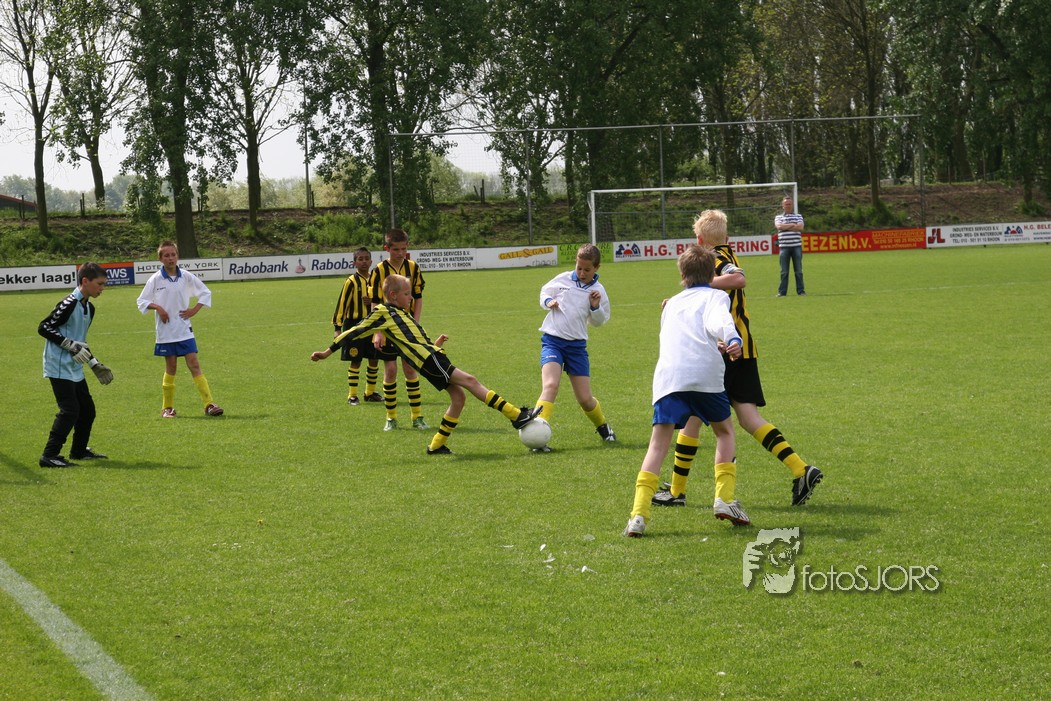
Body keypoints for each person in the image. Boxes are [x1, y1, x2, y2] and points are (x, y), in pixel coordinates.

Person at [651, 210, 822, 510]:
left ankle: (677, 491)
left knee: (692, 418)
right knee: (748, 417)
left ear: (700, 240)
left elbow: (739, 279)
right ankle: (800, 469)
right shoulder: (728, 253)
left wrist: (700, 287)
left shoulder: (715, 257)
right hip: (743, 348)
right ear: (726, 236)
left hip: (725, 350)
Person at [311, 275, 541, 454]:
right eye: (407, 294)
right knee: (470, 381)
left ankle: (436, 445)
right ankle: (516, 415)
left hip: (433, 355)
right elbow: (354, 331)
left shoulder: (402, 313)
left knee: (458, 398)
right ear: (393, 295)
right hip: (429, 360)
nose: (411, 298)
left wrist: (435, 344)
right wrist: (327, 352)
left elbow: (415, 341)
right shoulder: (382, 311)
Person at [623, 245, 744, 537]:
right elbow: (719, 321)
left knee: (657, 446)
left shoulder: (671, 304)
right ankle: (724, 499)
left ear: (682, 274)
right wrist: (732, 339)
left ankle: (638, 515)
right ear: (712, 275)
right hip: (705, 376)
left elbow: (683, 336)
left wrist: (715, 343)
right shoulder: (716, 296)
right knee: (725, 433)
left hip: (670, 378)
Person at [531, 243, 613, 451]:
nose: (582, 273)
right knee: (551, 385)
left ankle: (603, 427)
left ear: (597, 268)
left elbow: (600, 321)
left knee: (585, 399)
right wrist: (548, 301)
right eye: (579, 268)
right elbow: (544, 291)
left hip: (576, 347)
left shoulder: (598, 291)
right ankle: (537, 433)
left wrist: (595, 307)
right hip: (553, 341)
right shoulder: (563, 279)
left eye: (587, 269)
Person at [37, 263, 114, 467]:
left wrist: (94, 363)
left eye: (104, 284)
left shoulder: (89, 307)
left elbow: (80, 341)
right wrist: (69, 345)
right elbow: (44, 327)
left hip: (74, 366)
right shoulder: (69, 303)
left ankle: (78, 451)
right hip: (58, 364)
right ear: (85, 281)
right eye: (99, 284)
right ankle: (49, 455)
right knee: (70, 410)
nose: (102, 288)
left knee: (87, 410)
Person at [136, 240, 224, 418]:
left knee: (194, 364)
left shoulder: (186, 276)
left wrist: (194, 310)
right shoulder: (156, 279)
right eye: (166, 255)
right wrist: (158, 308)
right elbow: (142, 301)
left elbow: (205, 292)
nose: (170, 258)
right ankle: (167, 408)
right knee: (172, 367)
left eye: (173, 254)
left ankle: (209, 404)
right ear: (160, 259)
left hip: (184, 329)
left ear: (178, 256)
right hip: (166, 331)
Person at [368, 228, 428, 431]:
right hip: (387, 328)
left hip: (407, 327)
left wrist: (415, 323)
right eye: (396, 249)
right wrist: (377, 331)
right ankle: (391, 418)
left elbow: (418, 298)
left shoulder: (413, 267)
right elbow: (375, 302)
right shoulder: (378, 270)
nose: (400, 253)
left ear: (407, 246)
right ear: (387, 248)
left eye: (404, 248)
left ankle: (417, 417)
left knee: (410, 369)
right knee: (391, 370)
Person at [332, 247, 381, 405]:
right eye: (360, 259)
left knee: (374, 358)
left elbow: (382, 298)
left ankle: (370, 392)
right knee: (356, 359)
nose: (364, 261)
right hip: (354, 325)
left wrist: (372, 301)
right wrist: (337, 328)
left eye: (366, 258)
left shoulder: (375, 279)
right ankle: (352, 395)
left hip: (372, 324)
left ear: (371, 261)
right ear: (354, 263)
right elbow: (342, 304)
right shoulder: (351, 281)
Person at [775, 195, 806, 296]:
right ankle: (782, 292)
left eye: (789, 204)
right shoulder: (778, 217)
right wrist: (793, 225)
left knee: (798, 271)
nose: (788, 206)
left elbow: (800, 227)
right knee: (784, 271)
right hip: (784, 247)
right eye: (786, 204)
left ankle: (801, 291)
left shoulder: (798, 216)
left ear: (792, 205)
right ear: (782, 205)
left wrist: (786, 227)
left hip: (796, 246)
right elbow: (779, 226)